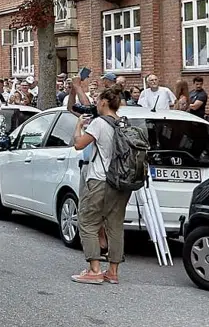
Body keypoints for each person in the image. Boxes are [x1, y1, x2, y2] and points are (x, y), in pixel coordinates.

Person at [72, 87, 131, 285]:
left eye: (98, 100)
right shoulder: (124, 123)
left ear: (105, 102)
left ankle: (94, 269)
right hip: (121, 182)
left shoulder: (98, 123)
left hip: (99, 179)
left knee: (88, 222)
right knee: (115, 226)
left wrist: (79, 125)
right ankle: (113, 271)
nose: (96, 104)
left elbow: (79, 144)